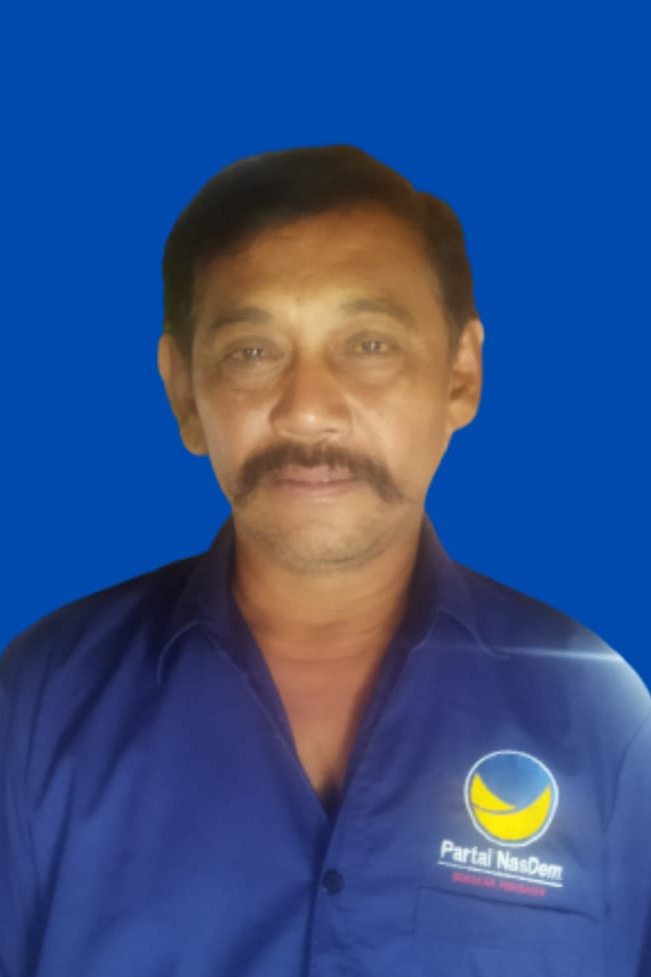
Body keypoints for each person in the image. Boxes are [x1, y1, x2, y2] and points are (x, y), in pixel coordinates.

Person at [1, 144, 649, 977]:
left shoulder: (603, 718)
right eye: (252, 351)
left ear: (459, 373)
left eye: (369, 344)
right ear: (184, 392)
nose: (307, 409)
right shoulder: (41, 702)